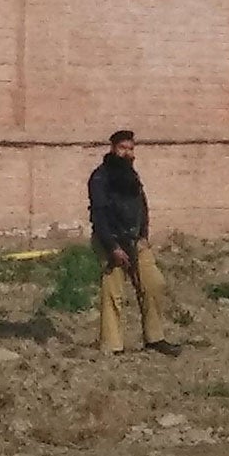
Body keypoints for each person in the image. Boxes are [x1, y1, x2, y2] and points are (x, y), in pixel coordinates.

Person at [87, 129, 177, 356]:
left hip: (136, 241)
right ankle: (112, 345)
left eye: (130, 149)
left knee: (153, 284)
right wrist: (113, 248)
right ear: (113, 148)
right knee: (113, 294)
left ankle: (155, 338)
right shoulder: (100, 178)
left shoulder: (132, 177)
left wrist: (143, 236)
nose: (127, 153)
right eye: (122, 148)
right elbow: (99, 216)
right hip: (112, 243)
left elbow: (141, 207)